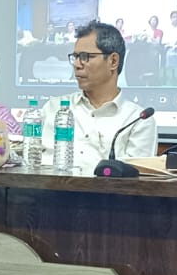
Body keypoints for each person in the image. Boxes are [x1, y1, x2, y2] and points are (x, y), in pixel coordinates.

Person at [39, 20, 158, 173]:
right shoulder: (54, 108)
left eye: (85, 57)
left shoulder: (138, 120)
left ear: (113, 61)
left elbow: (135, 180)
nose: (77, 64)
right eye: (75, 57)